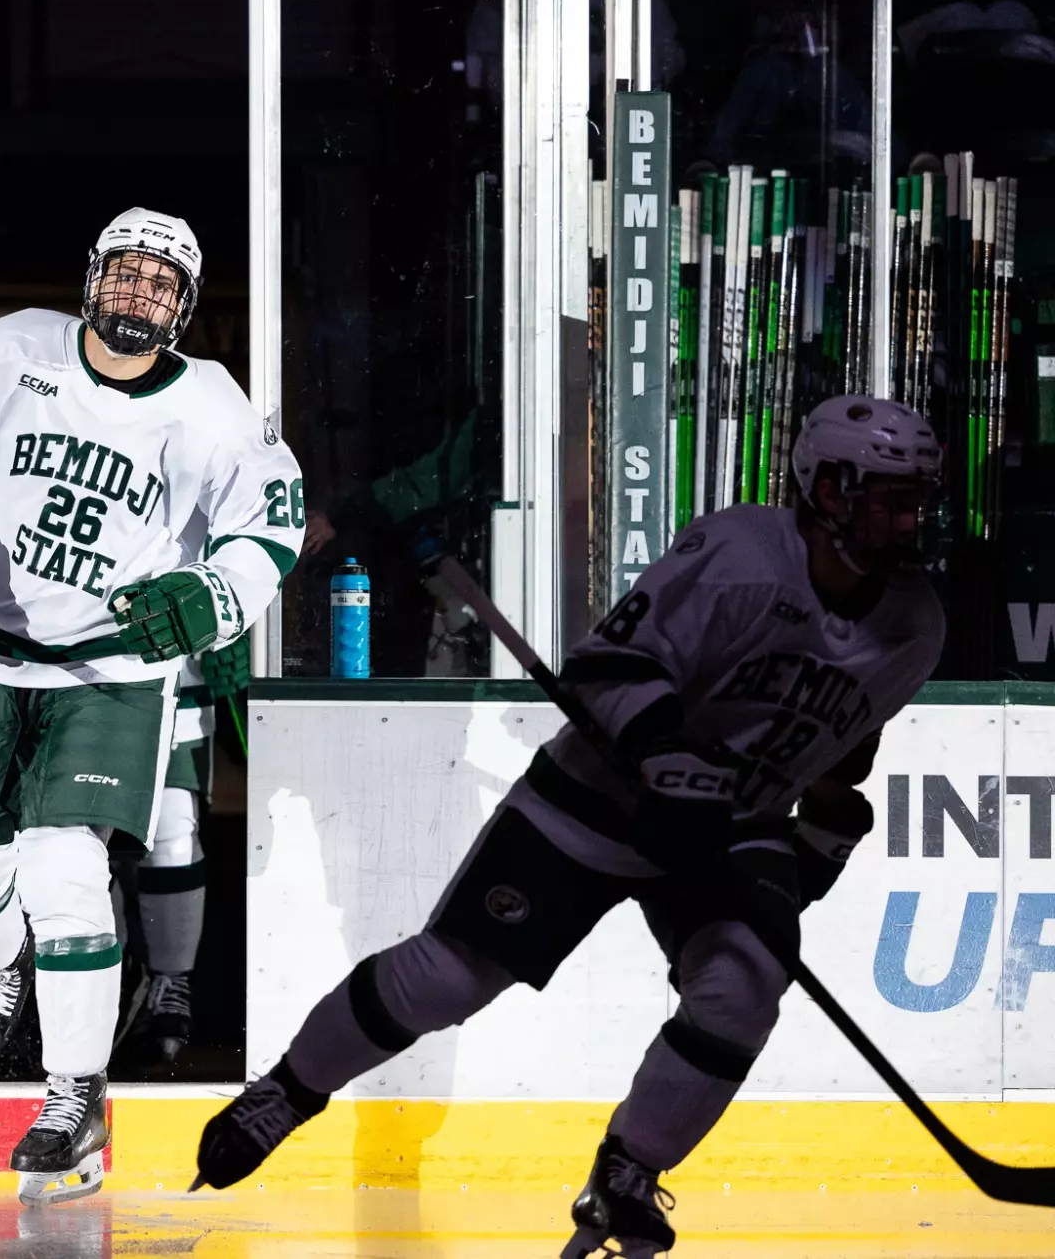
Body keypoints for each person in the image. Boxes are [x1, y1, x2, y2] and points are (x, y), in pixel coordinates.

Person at [194, 395, 946, 1258]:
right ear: (826, 488)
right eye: (887, 495)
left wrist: (820, 826)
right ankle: (289, 1089)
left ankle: (626, 1170)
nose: (906, 517)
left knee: (741, 989)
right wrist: (664, 757)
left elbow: (847, 735)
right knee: (448, 977)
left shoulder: (915, 622)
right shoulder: (743, 552)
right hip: (595, 798)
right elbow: (612, 665)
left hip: (734, 820)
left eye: (916, 498)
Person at [0, 206, 305, 1206]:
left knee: (65, 866)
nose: (139, 294)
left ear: (185, 307)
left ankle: (73, 1093)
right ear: (90, 277)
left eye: (161, 284)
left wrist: (213, 595)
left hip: (112, 669)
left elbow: (268, 526)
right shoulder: (7, 352)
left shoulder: (209, 406)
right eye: (125, 274)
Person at [114, 633, 249, 1068]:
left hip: (178, 678)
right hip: (77, 672)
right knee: (82, 843)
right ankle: (105, 982)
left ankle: (170, 983)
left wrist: (237, 621)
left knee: (173, 836)